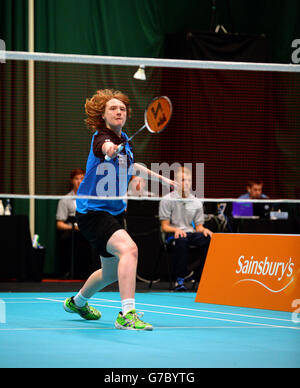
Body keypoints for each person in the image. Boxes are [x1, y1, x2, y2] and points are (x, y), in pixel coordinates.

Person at [63, 89, 175, 330]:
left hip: (114, 212)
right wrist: (110, 150)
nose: (118, 112)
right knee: (130, 250)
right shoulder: (100, 137)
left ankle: (77, 302)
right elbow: (104, 147)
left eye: (122, 109)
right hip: (93, 212)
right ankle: (127, 314)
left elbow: (134, 166)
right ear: (103, 115)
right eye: (113, 108)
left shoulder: (127, 141)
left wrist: (163, 179)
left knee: (110, 273)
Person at [159, 166, 212, 291]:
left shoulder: (197, 202)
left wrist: (204, 230)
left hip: (190, 234)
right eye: (183, 180)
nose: (186, 183)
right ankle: (180, 280)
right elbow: (164, 226)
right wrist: (175, 230)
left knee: (208, 239)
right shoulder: (166, 200)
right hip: (173, 235)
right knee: (181, 240)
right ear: (176, 182)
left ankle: (199, 276)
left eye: (188, 180)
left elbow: (198, 227)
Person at [56, 168, 96, 278]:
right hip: (73, 233)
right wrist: (74, 227)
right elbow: (59, 224)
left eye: (82, 178)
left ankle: (91, 273)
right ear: (72, 181)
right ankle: (69, 273)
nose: (79, 181)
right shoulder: (65, 200)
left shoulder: (91, 198)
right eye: (76, 179)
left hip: (88, 230)